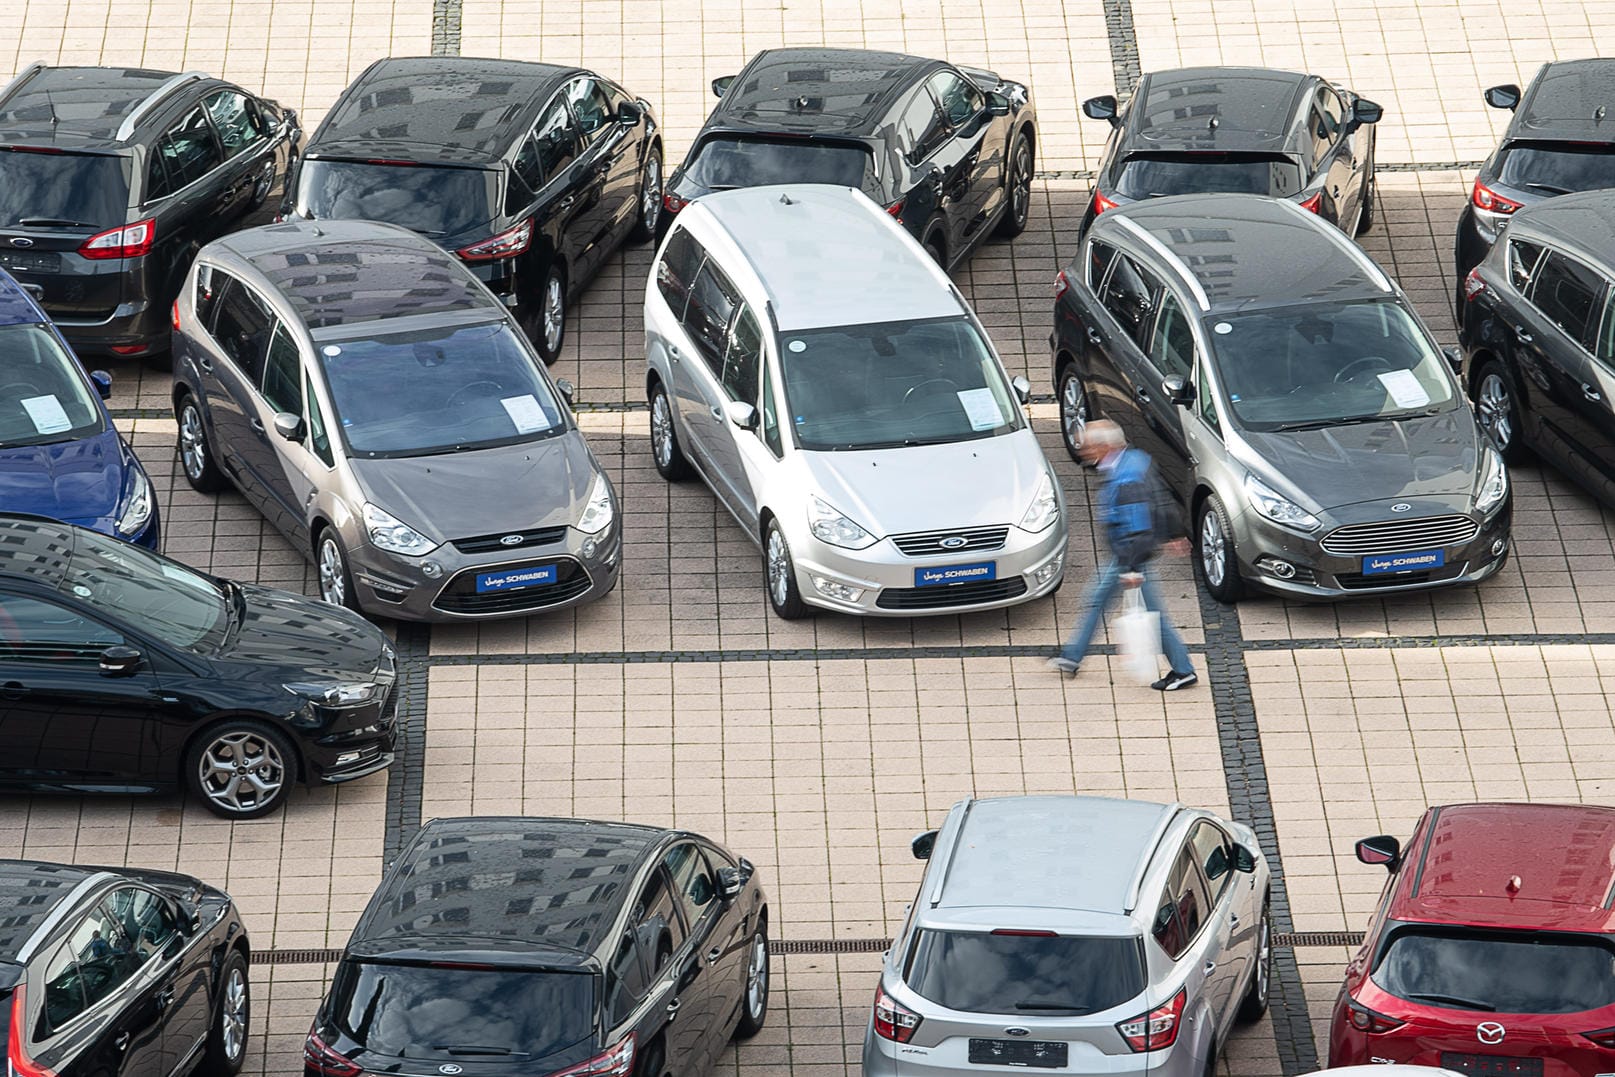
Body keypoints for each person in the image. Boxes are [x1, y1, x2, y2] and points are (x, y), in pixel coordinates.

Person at [1048, 420, 1198, 691]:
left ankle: (1183, 670)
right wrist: (1173, 533)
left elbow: (1137, 527)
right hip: (1128, 554)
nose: (1083, 451)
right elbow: (1161, 500)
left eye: (1089, 445)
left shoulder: (1126, 478)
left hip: (1131, 556)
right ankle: (1072, 657)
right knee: (1096, 600)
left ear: (1106, 446)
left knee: (1153, 615)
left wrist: (1131, 569)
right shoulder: (1136, 460)